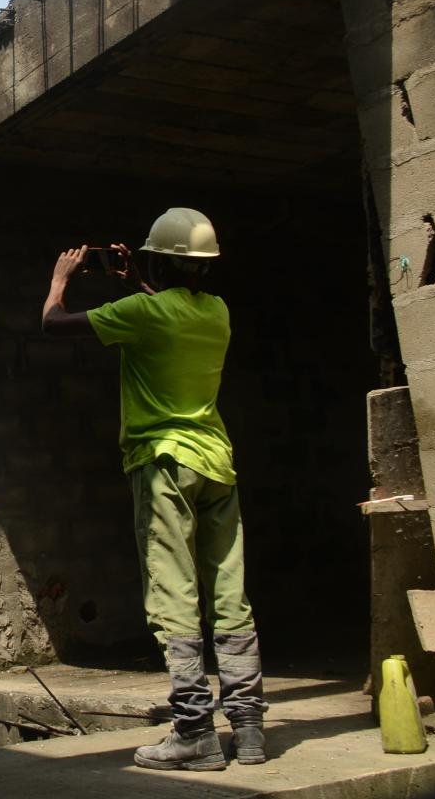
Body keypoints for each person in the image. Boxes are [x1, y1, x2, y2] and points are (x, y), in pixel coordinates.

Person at [40, 208, 265, 772]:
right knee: (229, 593)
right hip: (218, 463)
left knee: (173, 594)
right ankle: (250, 728)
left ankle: (194, 732)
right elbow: (168, 307)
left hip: (165, 463)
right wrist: (138, 277)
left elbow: (53, 323)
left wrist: (61, 280)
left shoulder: (142, 312)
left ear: (157, 262)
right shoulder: (216, 312)